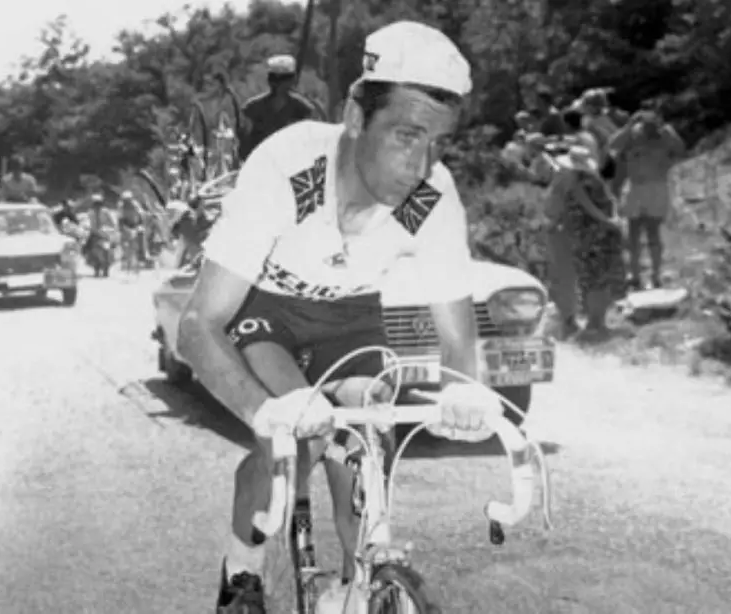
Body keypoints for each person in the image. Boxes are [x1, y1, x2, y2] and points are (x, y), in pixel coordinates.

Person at [175, 21, 504, 613]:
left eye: (438, 142)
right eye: (407, 135)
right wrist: (262, 409)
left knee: (362, 442)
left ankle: (360, 584)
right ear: (355, 115)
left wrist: (468, 393)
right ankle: (241, 571)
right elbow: (198, 325)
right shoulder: (287, 165)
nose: (421, 163)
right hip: (269, 314)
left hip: (351, 318)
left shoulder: (434, 195)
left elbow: (457, 336)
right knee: (300, 441)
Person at [544, 135, 627, 340]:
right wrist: (612, 220)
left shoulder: (572, 182)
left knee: (592, 278)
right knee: (596, 278)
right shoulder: (586, 182)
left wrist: (610, 220)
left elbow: (592, 206)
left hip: (589, 234)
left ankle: (590, 322)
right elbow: (601, 204)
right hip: (594, 234)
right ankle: (593, 322)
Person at [608, 106, 686, 289]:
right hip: (636, 187)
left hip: (657, 187)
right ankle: (635, 275)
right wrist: (629, 126)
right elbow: (612, 145)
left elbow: (680, 150)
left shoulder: (665, 135)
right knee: (633, 233)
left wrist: (667, 129)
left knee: (653, 233)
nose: (649, 124)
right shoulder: (633, 134)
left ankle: (656, 274)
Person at [237, 55, 316, 161]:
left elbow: (309, 142)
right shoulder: (252, 108)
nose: (279, 84)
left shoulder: (302, 109)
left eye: (284, 79)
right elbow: (245, 142)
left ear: (292, 80)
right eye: (275, 79)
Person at [87, 193, 117, 277]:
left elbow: (112, 223)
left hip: (105, 233)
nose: (97, 206)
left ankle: (108, 265)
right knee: (87, 247)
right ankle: (95, 267)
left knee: (112, 246)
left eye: (98, 203)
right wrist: (89, 228)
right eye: (95, 204)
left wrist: (110, 228)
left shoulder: (105, 212)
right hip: (94, 233)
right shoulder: (90, 212)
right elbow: (88, 223)